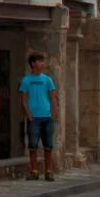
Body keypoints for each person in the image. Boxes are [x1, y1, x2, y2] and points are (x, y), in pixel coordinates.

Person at [19, 51, 59, 180]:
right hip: (34, 118)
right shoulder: (26, 80)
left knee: (48, 146)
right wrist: (29, 116)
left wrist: (53, 114)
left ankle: (49, 171)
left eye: (43, 61)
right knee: (33, 146)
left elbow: (53, 98)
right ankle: (34, 171)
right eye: (39, 61)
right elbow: (23, 100)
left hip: (47, 118)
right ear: (32, 63)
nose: (42, 64)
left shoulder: (47, 80)